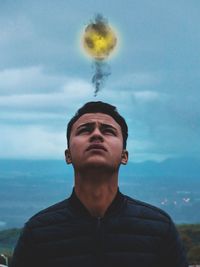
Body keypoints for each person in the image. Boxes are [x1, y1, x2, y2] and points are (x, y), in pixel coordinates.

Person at [11, 101, 188, 267]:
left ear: (124, 156)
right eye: (85, 130)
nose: (96, 134)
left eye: (108, 131)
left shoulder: (159, 228)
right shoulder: (38, 232)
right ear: (68, 155)